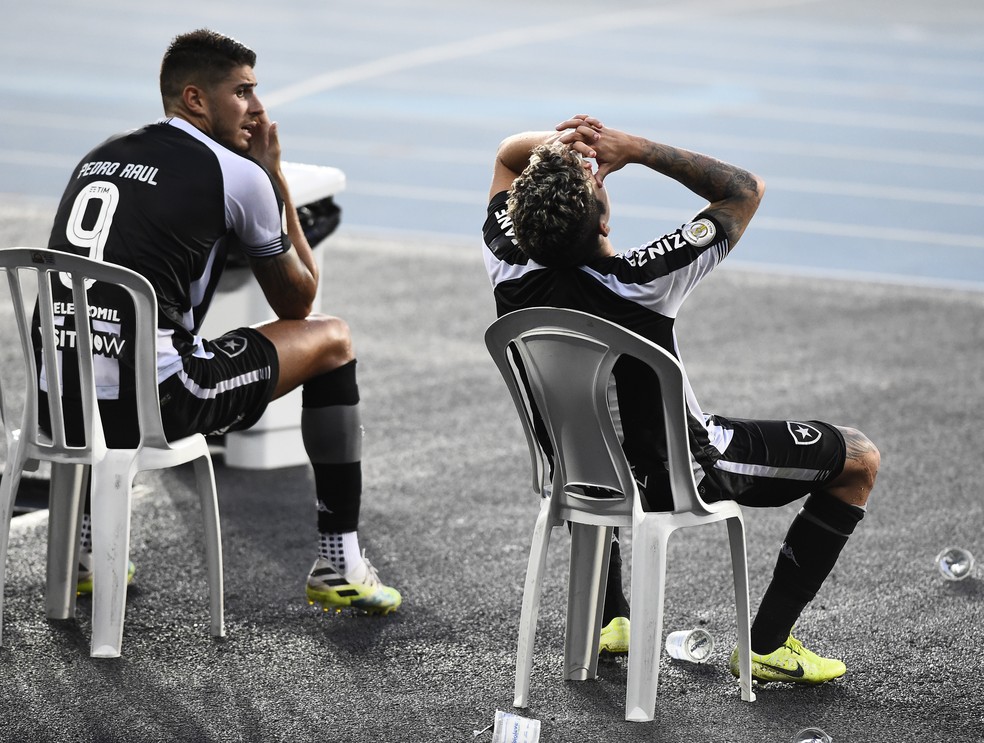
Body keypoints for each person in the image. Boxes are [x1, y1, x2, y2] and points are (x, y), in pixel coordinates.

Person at [482, 115, 880, 683]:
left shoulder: (506, 261)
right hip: (681, 476)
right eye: (599, 186)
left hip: (576, 476)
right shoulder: (644, 280)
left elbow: (505, 155)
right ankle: (767, 644)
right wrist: (635, 149)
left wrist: (556, 146)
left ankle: (610, 618)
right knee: (859, 458)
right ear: (602, 220)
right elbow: (745, 189)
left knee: (593, 438)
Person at [40, 29, 401, 615]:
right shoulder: (236, 174)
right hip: (155, 401)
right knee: (331, 338)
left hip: (57, 401)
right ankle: (340, 562)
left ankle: (85, 552)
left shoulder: (99, 155)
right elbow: (297, 305)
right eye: (243, 92)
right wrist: (274, 176)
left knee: (105, 346)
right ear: (195, 99)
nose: (258, 109)